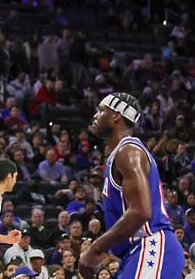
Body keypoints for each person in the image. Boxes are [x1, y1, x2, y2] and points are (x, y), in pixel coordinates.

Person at [78, 93, 186, 278]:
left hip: (151, 245)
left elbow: (141, 211)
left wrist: (96, 248)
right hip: (135, 252)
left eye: (101, 110)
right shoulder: (117, 156)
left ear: (116, 116)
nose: (96, 116)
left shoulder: (128, 151)